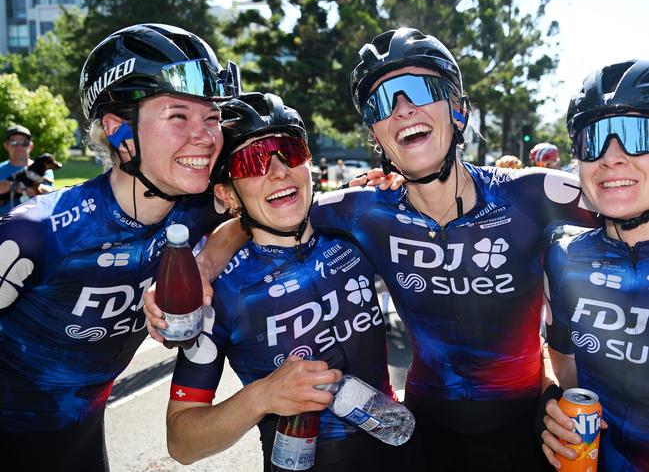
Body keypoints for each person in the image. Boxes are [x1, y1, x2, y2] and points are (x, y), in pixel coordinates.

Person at [150, 27, 597, 471]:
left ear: (458, 110)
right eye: (384, 103)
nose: (403, 109)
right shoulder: (360, 213)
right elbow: (260, 220)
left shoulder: (536, 193)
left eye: (419, 89)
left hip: (519, 431)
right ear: (377, 137)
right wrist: (204, 263)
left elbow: (626, 200)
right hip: (427, 436)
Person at [0, 23, 242, 471]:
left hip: (85, 443)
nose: (206, 136)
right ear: (118, 131)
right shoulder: (35, 233)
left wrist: (206, 261)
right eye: (178, 116)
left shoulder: (198, 207)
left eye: (211, 117)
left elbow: (264, 216)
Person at [164, 92, 404, 471]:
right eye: (252, 162)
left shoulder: (353, 224)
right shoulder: (221, 292)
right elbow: (181, 441)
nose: (278, 171)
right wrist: (261, 397)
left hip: (397, 444)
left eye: (290, 152)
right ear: (227, 193)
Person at [540, 60, 649, 471]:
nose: (612, 157)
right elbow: (563, 361)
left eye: (640, 134)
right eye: (594, 139)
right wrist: (555, 415)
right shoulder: (563, 255)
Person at [0, 124, 57, 214]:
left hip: (35, 224)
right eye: (14, 142)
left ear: (30, 146)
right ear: (6, 145)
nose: (19, 146)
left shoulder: (44, 168)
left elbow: (51, 195)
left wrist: (23, 187)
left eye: (24, 143)